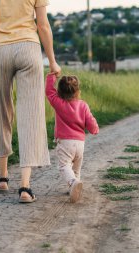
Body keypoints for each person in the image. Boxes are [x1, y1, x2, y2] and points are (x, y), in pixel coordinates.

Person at [0, 0, 61, 203]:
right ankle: (25, 187)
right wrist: (52, 60)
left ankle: (2, 177)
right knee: (30, 115)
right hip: (29, 48)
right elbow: (43, 25)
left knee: (1, 110)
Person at [45, 74, 99, 203]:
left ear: (59, 91)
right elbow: (90, 122)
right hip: (80, 143)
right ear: (78, 91)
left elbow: (49, 92)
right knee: (76, 168)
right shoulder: (83, 105)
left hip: (65, 142)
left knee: (64, 166)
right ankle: (75, 187)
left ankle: (73, 182)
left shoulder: (58, 103)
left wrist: (52, 76)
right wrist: (95, 129)